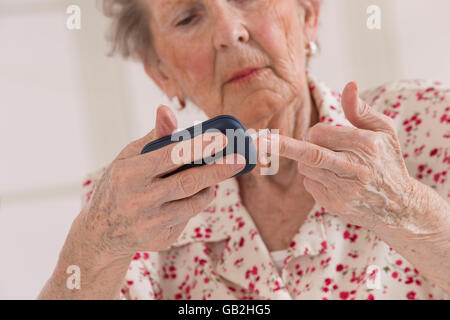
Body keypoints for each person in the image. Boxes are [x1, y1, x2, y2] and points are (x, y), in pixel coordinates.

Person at [39, 0, 449, 300]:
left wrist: (405, 208)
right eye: (187, 17)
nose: (229, 32)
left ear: (308, 14)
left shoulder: (432, 122)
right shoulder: (129, 205)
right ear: (162, 72)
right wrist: (99, 241)